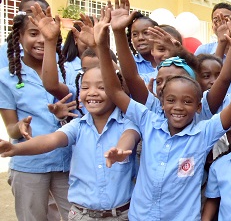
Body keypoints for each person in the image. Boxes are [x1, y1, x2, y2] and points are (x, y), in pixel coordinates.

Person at [99, 6, 231, 220]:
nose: (178, 106)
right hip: (141, 216)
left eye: (187, 100)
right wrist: (103, 44)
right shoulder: (148, 120)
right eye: (170, 98)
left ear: (198, 104)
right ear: (161, 101)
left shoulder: (203, 132)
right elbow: (118, 88)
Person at [0, 66, 136, 220]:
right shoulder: (77, 126)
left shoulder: (127, 123)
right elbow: (50, 140)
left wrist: (120, 150)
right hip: (81, 215)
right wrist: (15, 148)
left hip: (122, 214)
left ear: (117, 92)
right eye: (85, 87)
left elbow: (129, 137)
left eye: (102, 87)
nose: (92, 92)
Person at [0, 13, 72, 220]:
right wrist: (21, 126)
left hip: (67, 163)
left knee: (76, 215)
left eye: (46, 34)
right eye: (33, 33)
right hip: (29, 165)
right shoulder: (7, 77)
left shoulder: (67, 70)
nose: (41, 39)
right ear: (20, 37)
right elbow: (11, 128)